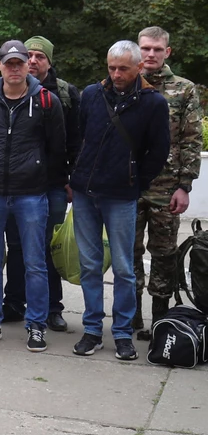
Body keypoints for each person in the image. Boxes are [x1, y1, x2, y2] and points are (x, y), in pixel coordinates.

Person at [69, 40, 169, 361]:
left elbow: (159, 151)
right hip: (85, 193)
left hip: (122, 195)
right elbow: (80, 136)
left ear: (139, 67)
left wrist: (136, 182)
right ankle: (93, 329)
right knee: (89, 265)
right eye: (111, 67)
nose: (115, 74)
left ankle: (123, 333)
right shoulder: (91, 94)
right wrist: (76, 173)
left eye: (123, 68)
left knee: (125, 268)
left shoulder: (153, 103)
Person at [0, 40, 65, 352]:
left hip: (32, 196)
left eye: (20, 63)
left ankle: (36, 325)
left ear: (27, 66)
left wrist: (41, 177)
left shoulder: (48, 102)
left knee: (35, 262)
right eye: (9, 63)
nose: (15, 68)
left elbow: (57, 150)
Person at [1, 36, 81, 331]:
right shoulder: (5, 90)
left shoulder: (66, 94)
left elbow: (76, 141)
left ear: (49, 61)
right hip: (17, 185)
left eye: (39, 56)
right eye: (28, 56)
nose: (33, 61)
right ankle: (14, 302)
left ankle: (51, 308)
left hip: (52, 184)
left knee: (47, 247)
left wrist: (71, 179)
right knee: (18, 246)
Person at [132, 26, 202, 339]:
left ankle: (161, 320)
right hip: (128, 186)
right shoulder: (124, 83)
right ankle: (130, 317)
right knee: (127, 253)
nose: (150, 55)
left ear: (167, 52)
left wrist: (184, 185)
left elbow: (191, 139)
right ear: (137, 49)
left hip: (166, 187)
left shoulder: (184, 89)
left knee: (164, 254)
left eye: (157, 49)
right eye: (145, 48)